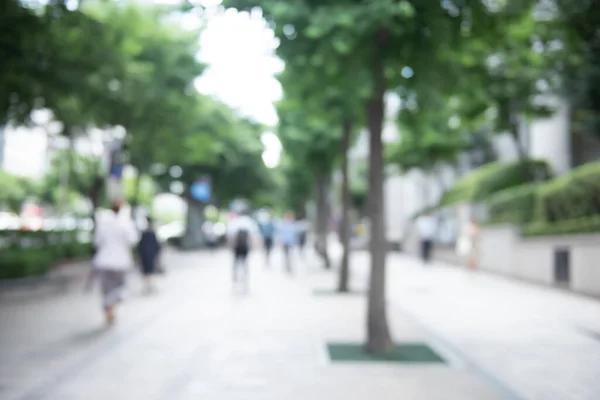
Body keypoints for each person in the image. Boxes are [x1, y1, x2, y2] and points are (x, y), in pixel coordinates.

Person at [93, 199, 139, 325]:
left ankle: (108, 310)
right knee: (119, 287)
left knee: (107, 288)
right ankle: (112, 308)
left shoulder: (103, 222)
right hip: (121, 261)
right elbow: (133, 240)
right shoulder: (126, 223)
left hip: (104, 260)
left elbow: (97, 241)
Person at [226, 207, 259, 289]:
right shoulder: (250, 222)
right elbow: (254, 235)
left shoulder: (234, 221)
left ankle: (235, 278)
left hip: (236, 246)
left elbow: (230, 235)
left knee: (235, 262)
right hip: (245, 246)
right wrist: (254, 246)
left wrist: (229, 246)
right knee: (245, 262)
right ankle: (245, 279)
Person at [137, 216, 161, 294]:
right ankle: (148, 285)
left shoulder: (145, 233)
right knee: (149, 270)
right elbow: (157, 245)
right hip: (150, 254)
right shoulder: (150, 233)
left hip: (146, 254)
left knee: (146, 271)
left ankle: (147, 285)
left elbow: (140, 246)